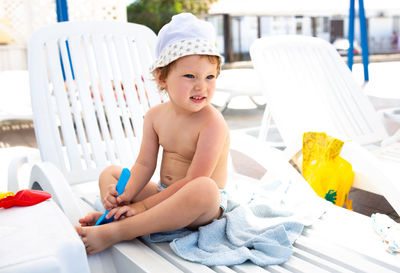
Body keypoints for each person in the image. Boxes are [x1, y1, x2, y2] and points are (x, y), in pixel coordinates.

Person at [75, 12, 230, 255]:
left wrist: (144, 205)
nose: (202, 86)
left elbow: (193, 181)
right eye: (190, 76)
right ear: (162, 77)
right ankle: (116, 212)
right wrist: (124, 195)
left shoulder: (213, 123)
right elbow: (145, 163)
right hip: (163, 194)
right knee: (112, 174)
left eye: (210, 77)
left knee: (205, 188)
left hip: (200, 206)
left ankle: (120, 230)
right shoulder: (155, 116)